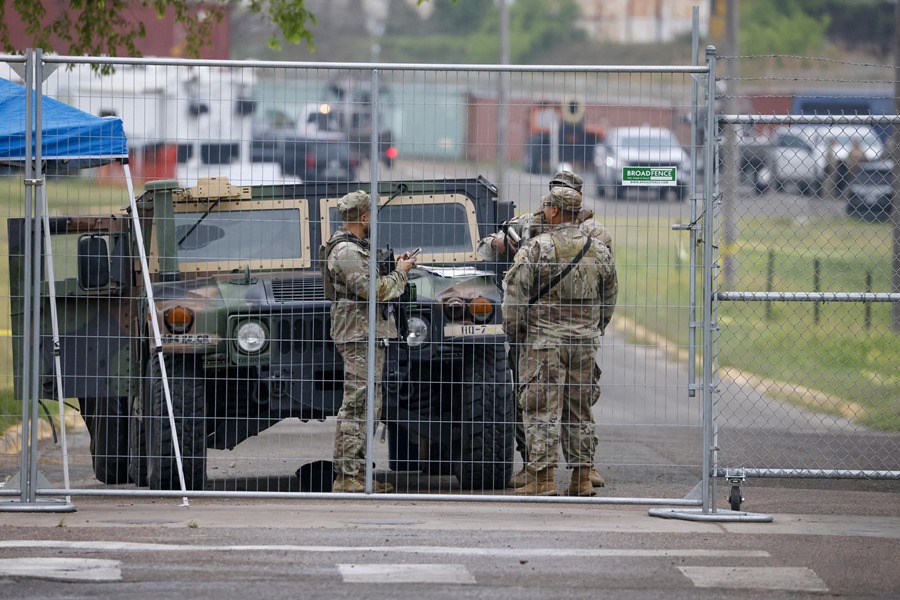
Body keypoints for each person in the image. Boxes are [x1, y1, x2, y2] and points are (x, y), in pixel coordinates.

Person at [476, 169, 612, 489]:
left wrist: (516, 329)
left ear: (555, 206)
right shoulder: (597, 244)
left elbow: (515, 291)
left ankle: (544, 476)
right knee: (578, 408)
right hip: (582, 338)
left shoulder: (539, 245)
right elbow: (609, 292)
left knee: (540, 407)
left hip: (544, 338)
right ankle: (580, 477)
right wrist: (594, 326)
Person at [323, 190, 417, 493]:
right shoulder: (347, 252)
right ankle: (347, 476)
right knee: (357, 406)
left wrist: (394, 268)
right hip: (358, 335)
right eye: (370, 215)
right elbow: (374, 291)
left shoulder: (356, 249)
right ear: (363, 217)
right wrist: (400, 275)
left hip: (366, 334)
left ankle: (358, 475)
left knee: (368, 406)